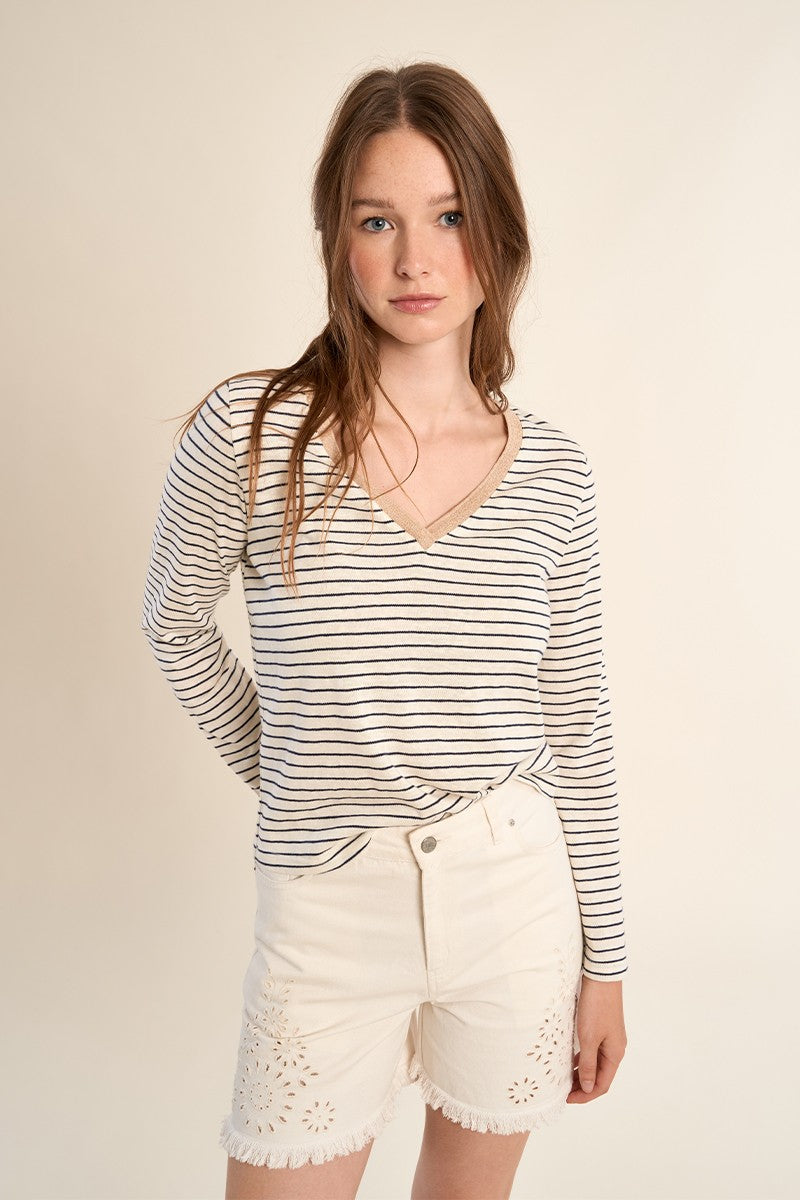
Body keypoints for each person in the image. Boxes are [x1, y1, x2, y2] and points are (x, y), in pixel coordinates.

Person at [140, 60, 628, 1200]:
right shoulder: (252, 433)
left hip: (514, 901)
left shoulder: (554, 474)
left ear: (498, 233)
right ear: (337, 240)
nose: (415, 260)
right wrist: (295, 767)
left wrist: (606, 962)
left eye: (449, 216)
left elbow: (577, 721)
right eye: (377, 221)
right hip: (325, 908)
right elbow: (172, 624)